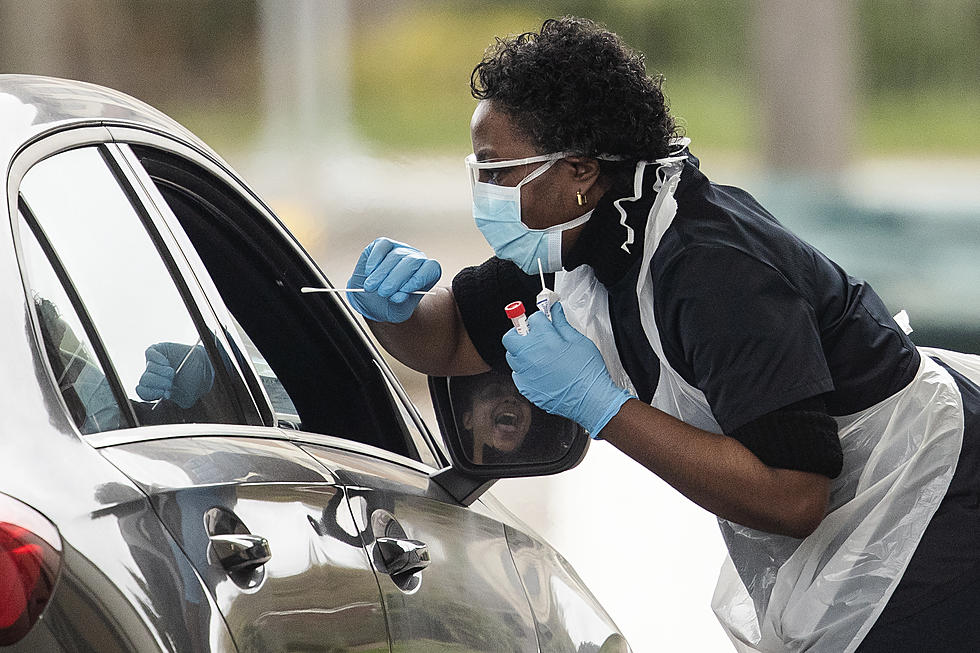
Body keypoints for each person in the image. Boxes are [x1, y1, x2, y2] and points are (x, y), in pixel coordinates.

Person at [344, 17, 980, 652]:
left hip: (932, 490)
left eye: (496, 171)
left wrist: (602, 408)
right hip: (846, 522)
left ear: (578, 174)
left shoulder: (714, 272)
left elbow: (792, 495)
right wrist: (391, 312)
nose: (481, 194)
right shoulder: (572, 245)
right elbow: (451, 340)